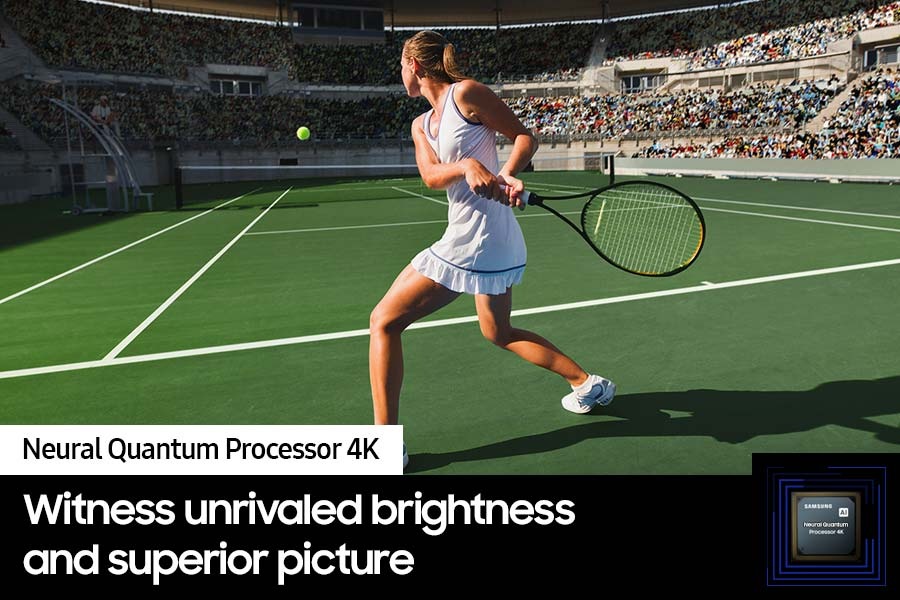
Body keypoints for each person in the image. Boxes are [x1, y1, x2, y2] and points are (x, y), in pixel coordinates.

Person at [369, 31, 616, 468]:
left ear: (415, 65)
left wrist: (506, 173)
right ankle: (586, 383)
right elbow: (431, 177)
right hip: (480, 236)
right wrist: (467, 166)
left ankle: (386, 448)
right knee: (497, 332)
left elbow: (524, 137)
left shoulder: (466, 93)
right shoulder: (420, 125)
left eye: (400, 66)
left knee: (383, 322)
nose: (399, 74)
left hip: (479, 238)